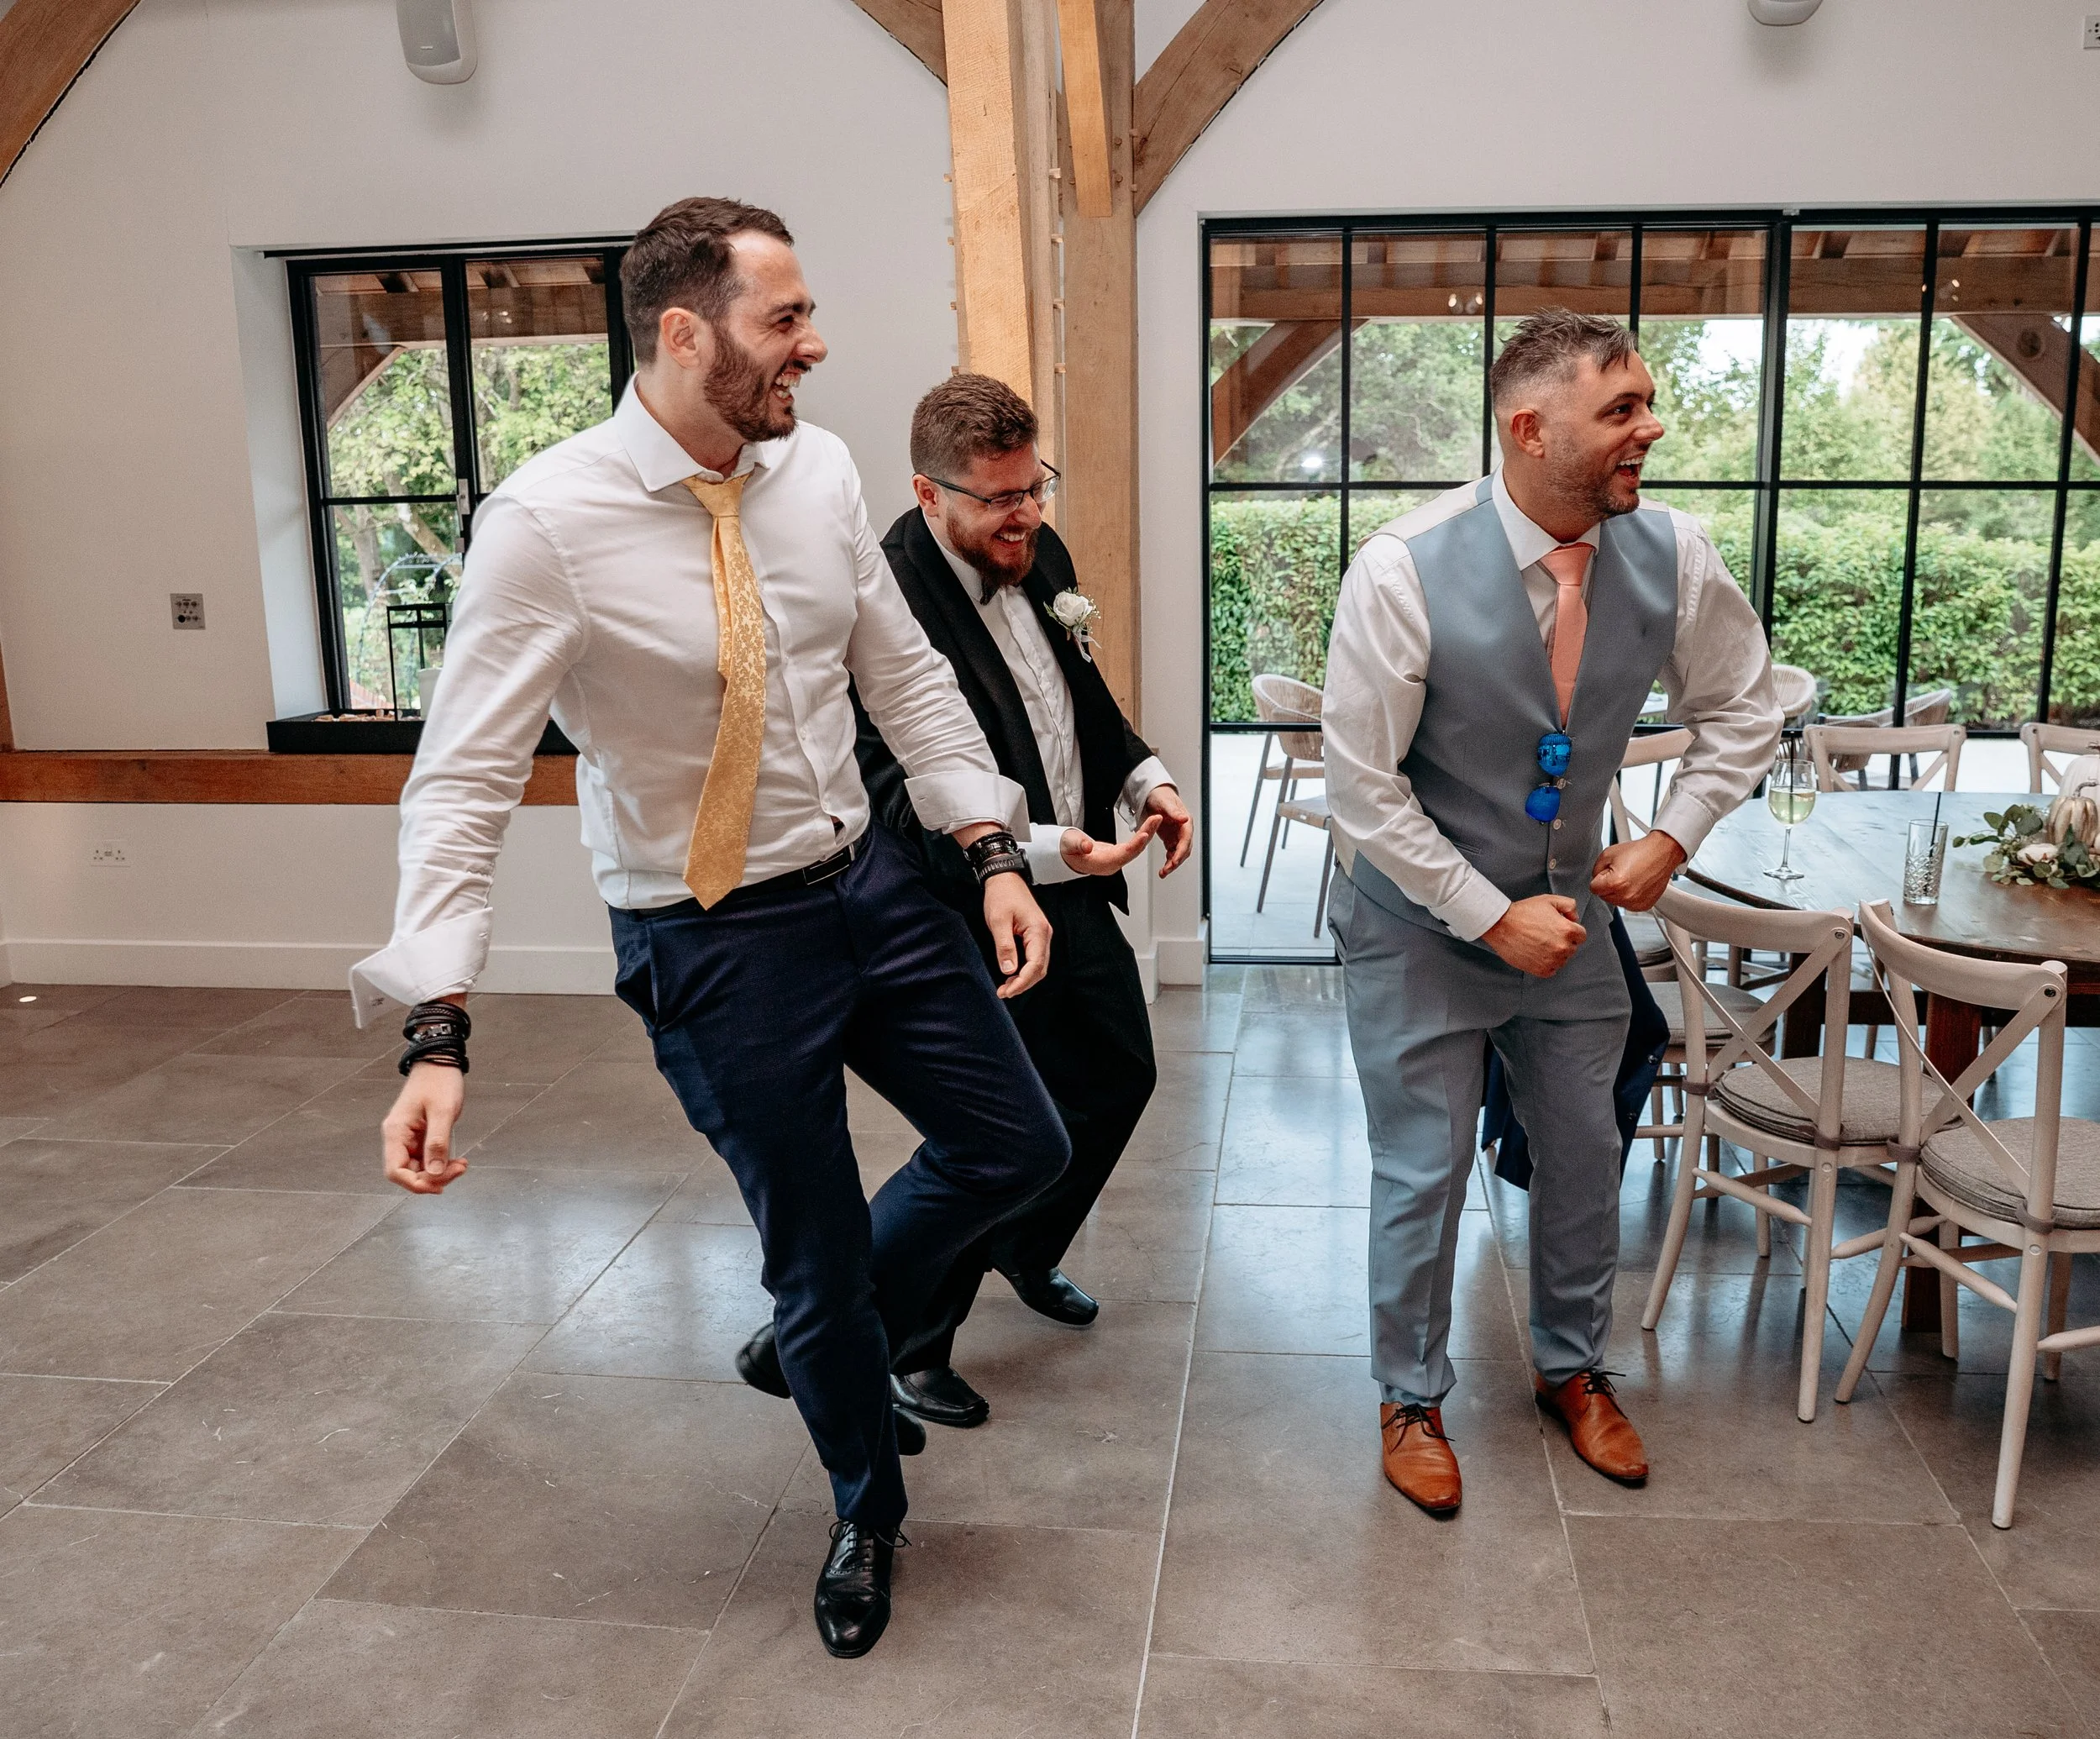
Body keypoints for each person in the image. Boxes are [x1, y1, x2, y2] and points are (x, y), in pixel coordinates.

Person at [351, 197, 1073, 1659]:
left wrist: (989, 844)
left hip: (870, 885)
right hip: (711, 942)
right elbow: (466, 783)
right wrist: (438, 1021)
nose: (818, 342)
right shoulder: (545, 525)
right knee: (808, 1255)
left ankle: (821, 1339)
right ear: (686, 333)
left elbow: (907, 683)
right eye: (785, 318)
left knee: (1021, 1144)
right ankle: (866, 1505)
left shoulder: (819, 477)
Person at [1321, 307, 1781, 1516]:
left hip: (1571, 924)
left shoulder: (1673, 554)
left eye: (1646, 402)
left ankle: (1573, 1369)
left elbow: (1747, 704)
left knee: (1586, 1151)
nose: (1652, 427)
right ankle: (1410, 1397)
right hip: (1416, 922)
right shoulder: (1401, 568)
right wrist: (1485, 913)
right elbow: (1361, 789)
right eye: (1621, 409)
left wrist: (1673, 832)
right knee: (1421, 1169)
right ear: (1531, 428)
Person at [852, 374, 1192, 1431]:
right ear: (927, 492)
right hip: (962, 902)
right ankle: (914, 1347)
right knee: (989, 1126)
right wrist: (1040, 850)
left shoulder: (1039, 556)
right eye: (998, 499)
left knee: (1119, 1075)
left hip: (1073, 880)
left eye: (1032, 487)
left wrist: (1147, 780)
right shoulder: (883, 594)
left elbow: (1078, 699)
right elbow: (892, 793)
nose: (1026, 515)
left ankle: (1023, 1245)